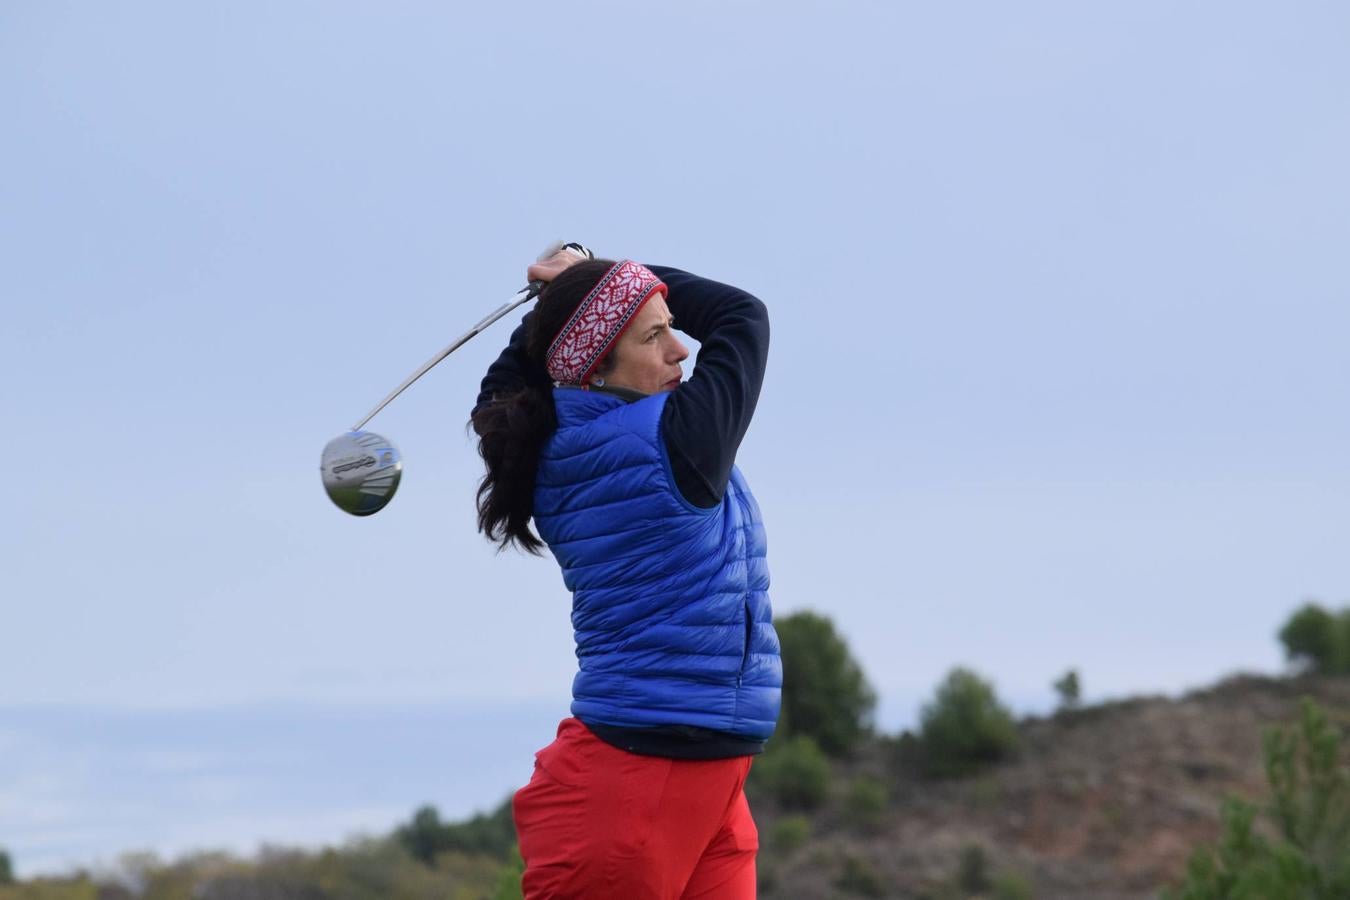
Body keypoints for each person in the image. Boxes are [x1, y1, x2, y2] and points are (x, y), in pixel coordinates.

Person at [471, 244, 781, 899]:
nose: (681, 349)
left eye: (672, 325)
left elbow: (516, 375)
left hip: (703, 785)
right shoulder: (673, 440)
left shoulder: (545, 436)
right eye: (654, 334)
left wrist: (586, 292)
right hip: (634, 792)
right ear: (594, 370)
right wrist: (607, 265)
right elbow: (742, 317)